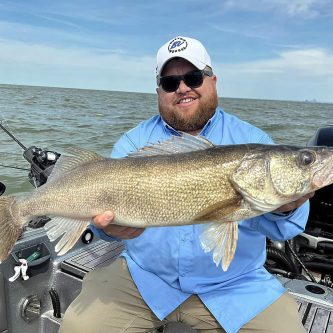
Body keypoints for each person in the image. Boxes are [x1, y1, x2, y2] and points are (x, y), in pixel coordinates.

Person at [59, 36, 312, 333]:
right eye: (170, 82)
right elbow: (103, 227)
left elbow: (283, 229)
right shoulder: (132, 143)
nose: (182, 88)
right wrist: (106, 229)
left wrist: (285, 208)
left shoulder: (254, 142)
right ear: (159, 91)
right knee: (79, 327)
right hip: (145, 279)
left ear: (213, 81)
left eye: (193, 77)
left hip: (234, 285)